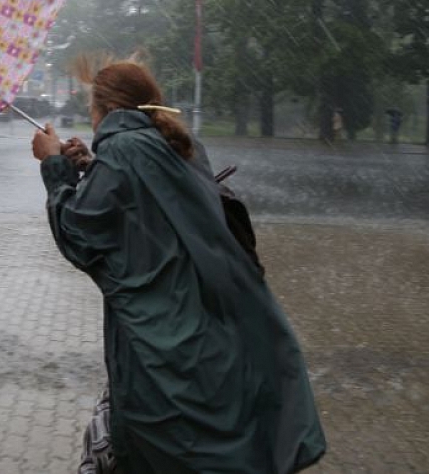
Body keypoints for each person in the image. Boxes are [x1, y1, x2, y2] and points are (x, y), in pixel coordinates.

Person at [31, 55, 326, 474]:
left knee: (159, 450)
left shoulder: (124, 151)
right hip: (210, 330)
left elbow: (79, 235)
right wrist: (92, 167)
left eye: (91, 107)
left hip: (160, 346)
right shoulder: (175, 143)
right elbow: (149, 206)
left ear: (104, 110)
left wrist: (53, 166)